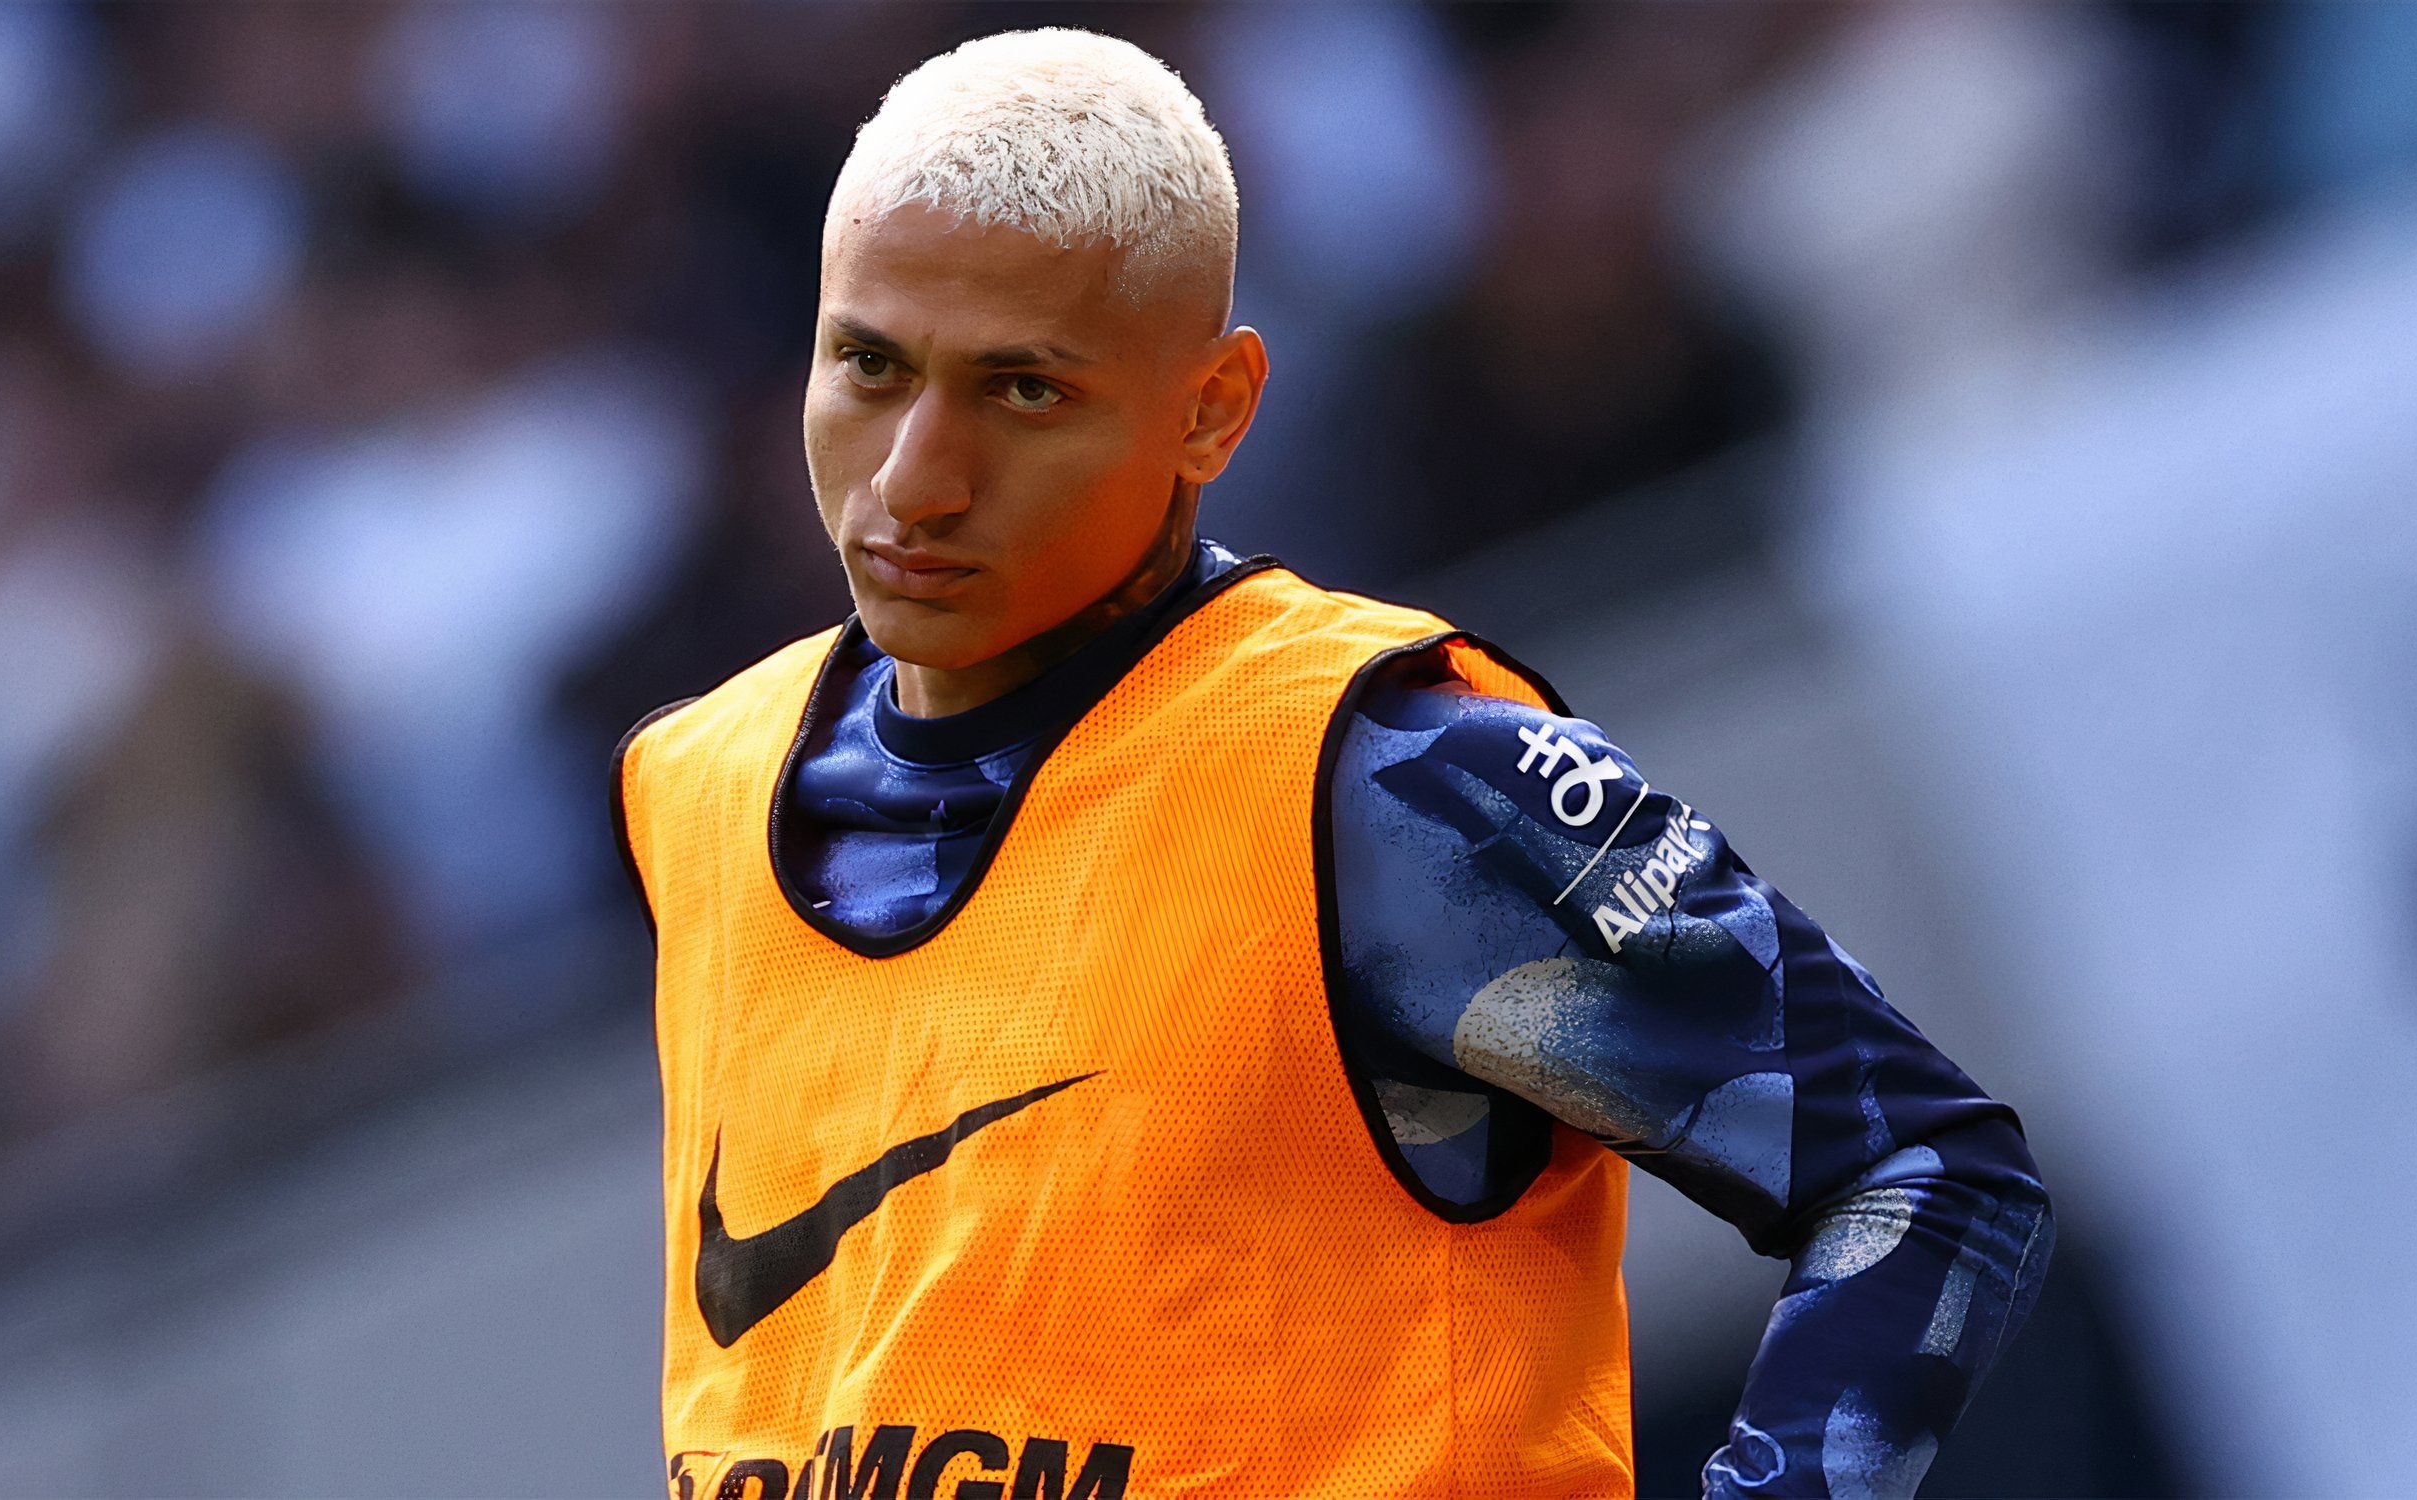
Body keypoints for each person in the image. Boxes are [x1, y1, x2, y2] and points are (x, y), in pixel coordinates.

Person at [611, 28, 2047, 1500]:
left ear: (1210, 409)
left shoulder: (1379, 777)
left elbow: (1923, 1174)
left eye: (1023, 390)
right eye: (869, 364)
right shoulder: (698, 791)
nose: (915, 473)